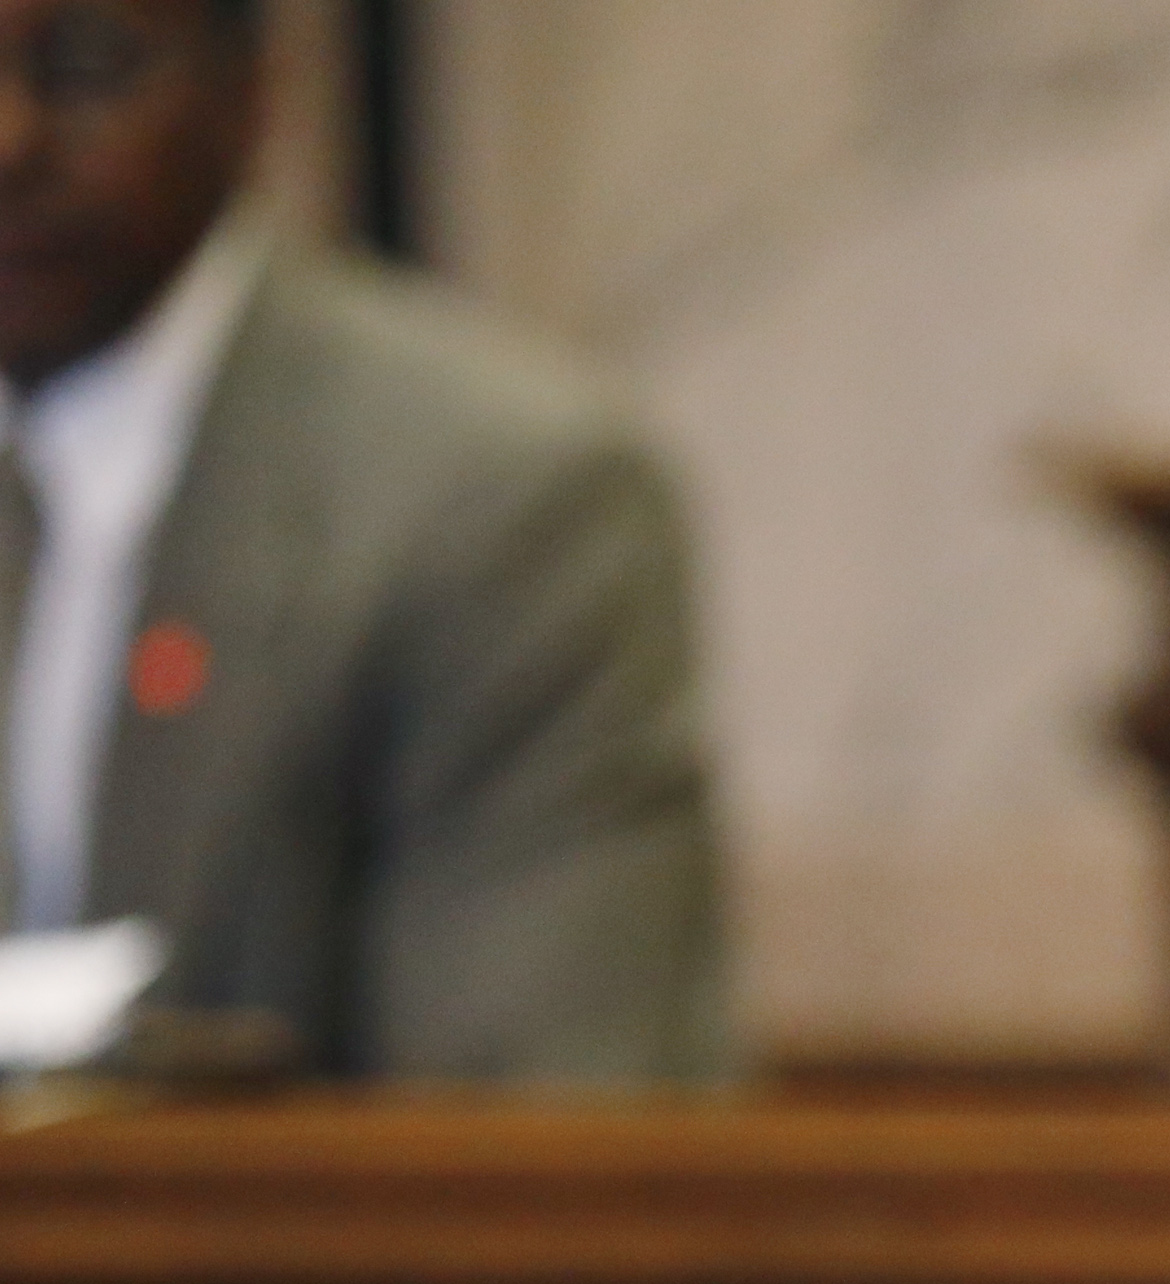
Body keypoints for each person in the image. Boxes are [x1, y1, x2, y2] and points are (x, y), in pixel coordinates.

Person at [0, 0, 725, 1078]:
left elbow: (542, 1128)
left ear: (255, 95)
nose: (10, 140)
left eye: (88, 67)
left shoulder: (503, 498)